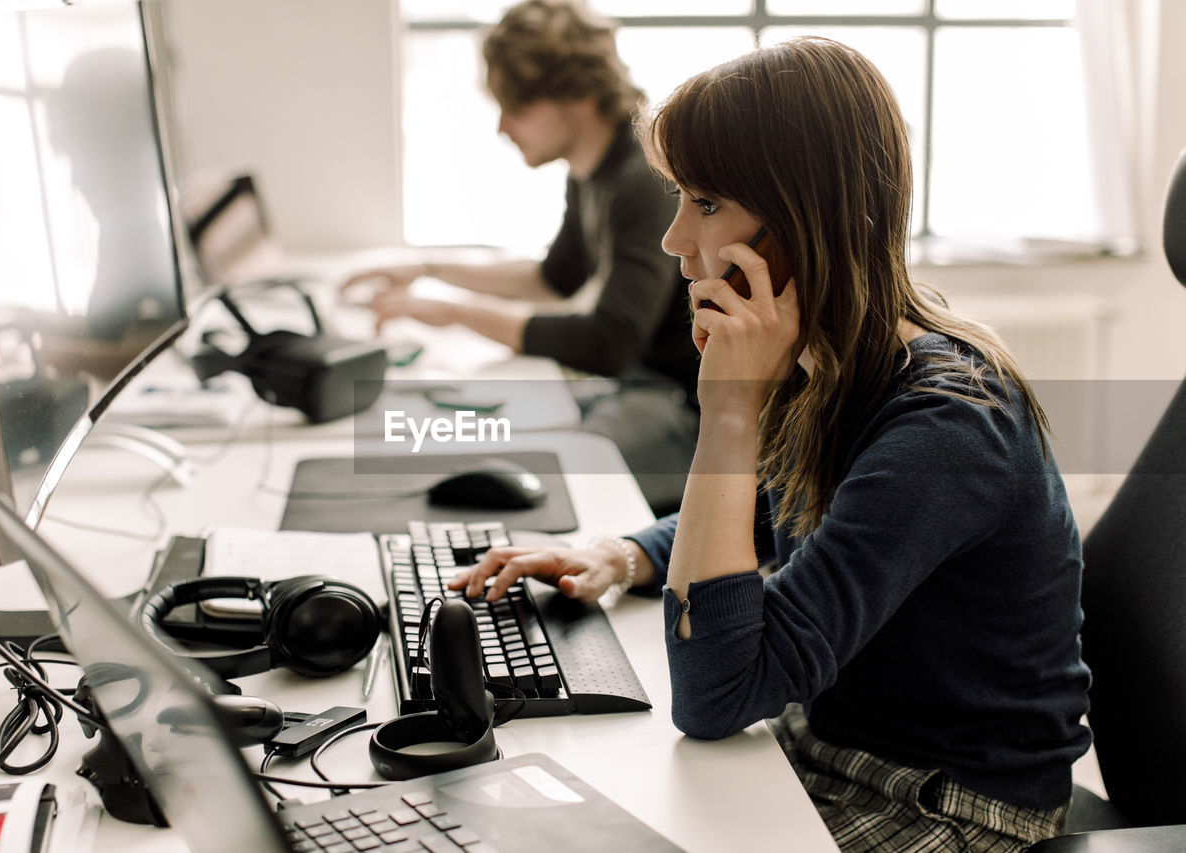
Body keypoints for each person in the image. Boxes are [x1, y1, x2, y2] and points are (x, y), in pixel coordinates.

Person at [448, 37, 1092, 852]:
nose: (675, 239)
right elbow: (771, 506)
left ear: (805, 217)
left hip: (949, 803)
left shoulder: (947, 425)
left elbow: (716, 692)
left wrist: (727, 413)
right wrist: (623, 552)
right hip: (833, 743)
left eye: (706, 203)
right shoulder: (839, 351)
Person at [341, 0, 699, 515]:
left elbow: (608, 341)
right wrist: (427, 270)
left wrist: (449, 313)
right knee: (461, 437)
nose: (502, 127)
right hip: (637, 387)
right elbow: (555, 277)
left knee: (534, 481)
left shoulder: (640, 178)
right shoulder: (593, 167)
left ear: (576, 96)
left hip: (686, 411)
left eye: (517, 107)